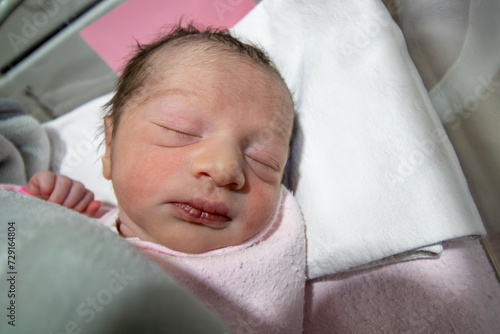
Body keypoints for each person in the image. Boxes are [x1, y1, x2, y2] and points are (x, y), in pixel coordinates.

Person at [22, 23, 296, 254]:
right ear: (110, 146)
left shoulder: (280, 259)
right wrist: (42, 220)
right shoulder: (76, 225)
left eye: (263, 159)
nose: (224, 169)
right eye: (181, 130)